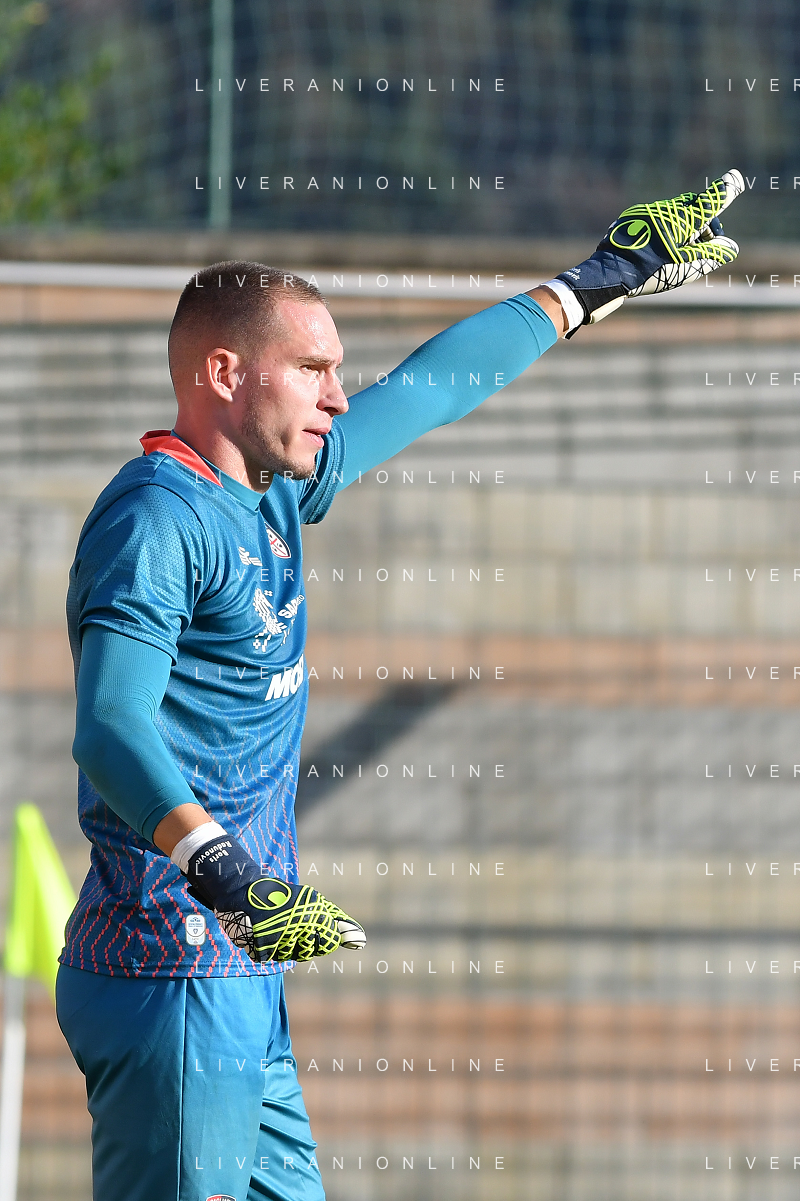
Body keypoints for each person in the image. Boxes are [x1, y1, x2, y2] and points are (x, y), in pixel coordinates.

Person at [55, 171, 743, 1201]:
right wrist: (222, 868)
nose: (337, 396)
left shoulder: (271, 493)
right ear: (224, 372)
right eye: (312, 369)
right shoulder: (157, 518)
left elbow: (428, 389)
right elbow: (108, 726)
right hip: (173, 965)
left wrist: (596, 280)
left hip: (236, 972)